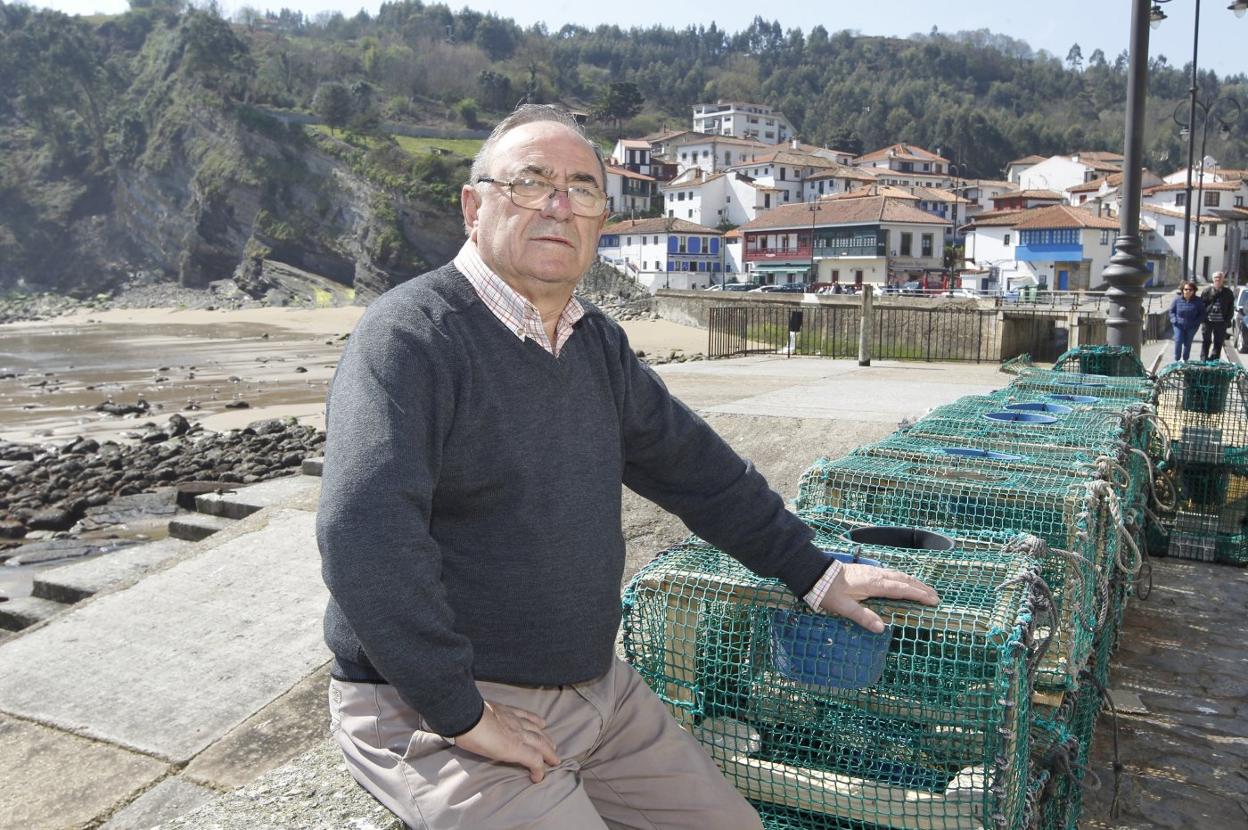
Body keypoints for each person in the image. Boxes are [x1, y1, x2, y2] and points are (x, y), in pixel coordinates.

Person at [316, 105, 940, 830]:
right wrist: (460, 711)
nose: (558, 205)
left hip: (598, 694)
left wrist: (815, 570)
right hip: (431, 707)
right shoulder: (410, 337)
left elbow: (695, 469)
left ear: (600, 219)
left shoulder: (593, 344)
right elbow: (362, 533)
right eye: (530, 182)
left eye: (582, 189)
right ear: (473, 206)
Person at [1199, 270, 1234, 361]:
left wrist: (1227, 321)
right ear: (1213, 279)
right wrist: (1202, 318)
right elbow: (1201, 305)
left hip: (1221, 322)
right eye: (1216, 278)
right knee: (1206, 341)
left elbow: (1231, 307)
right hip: (1208, 321)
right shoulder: (1207, 291)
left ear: (1223, 279)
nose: (1217, 279)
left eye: (1220, 277)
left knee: (1218, 342)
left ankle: (1214, 360)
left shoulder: (1228, 292)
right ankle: (1203, 359)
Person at [1170, 280, 1205, 361]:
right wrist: (1174, 320)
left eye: (1190, 289)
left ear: (1194, 291)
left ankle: (1185, 359)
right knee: (1178, 341)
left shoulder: (1198, 301)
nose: (1188, 291)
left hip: (1192, 326)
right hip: (1178, 325)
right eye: (1186, 289)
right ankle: (1177, 359)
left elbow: (1202, 314)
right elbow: (1171, 311)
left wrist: (1196, 322)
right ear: (1182, 290)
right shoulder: (1177, 299)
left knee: (1187, 343)